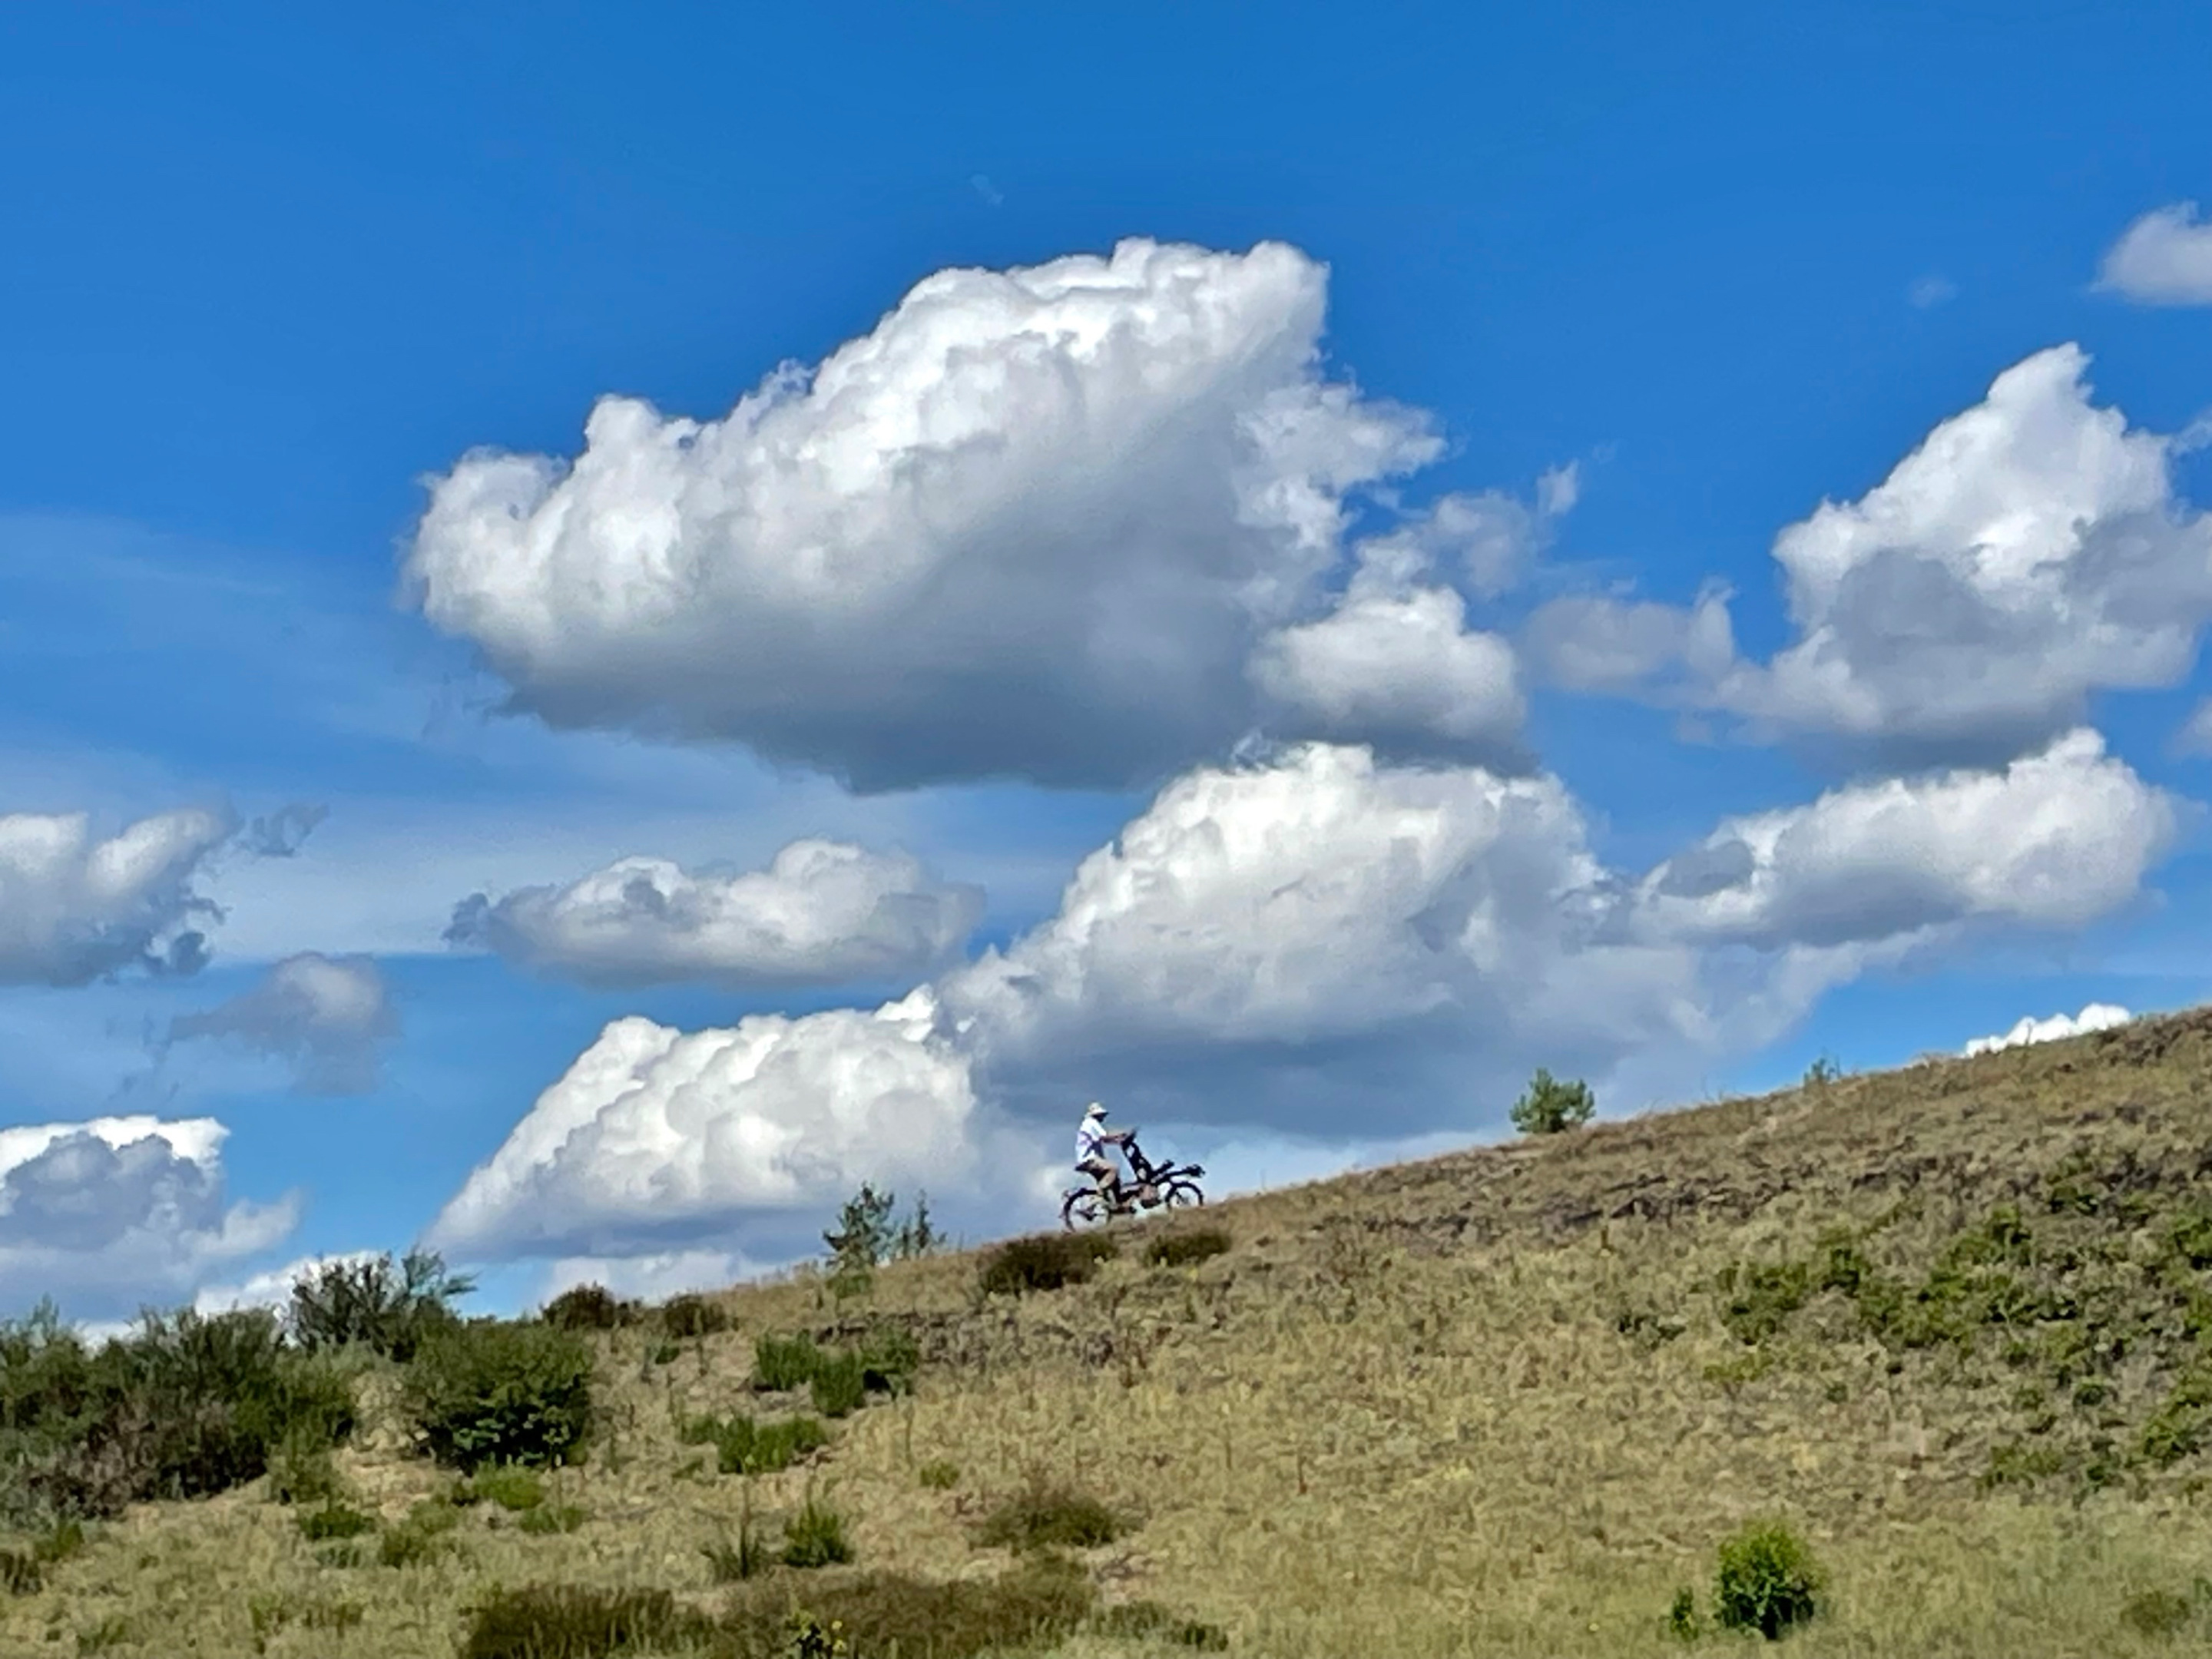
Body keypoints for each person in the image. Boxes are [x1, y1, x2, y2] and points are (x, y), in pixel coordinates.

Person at [1075, 1101, 1131, 1210]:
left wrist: (1119, 1140)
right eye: (1102, 1115)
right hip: (1089, 1159)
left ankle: (1117, 1207)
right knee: (1113, 1168)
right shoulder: (1091, 1122)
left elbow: (1104, 1140)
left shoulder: (1090, 1124)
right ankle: (1095, 1198)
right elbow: (1105, 1136)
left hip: (1089, 1159)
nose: (1103, 1118)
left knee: (1115, 1182)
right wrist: (1122, 1134)